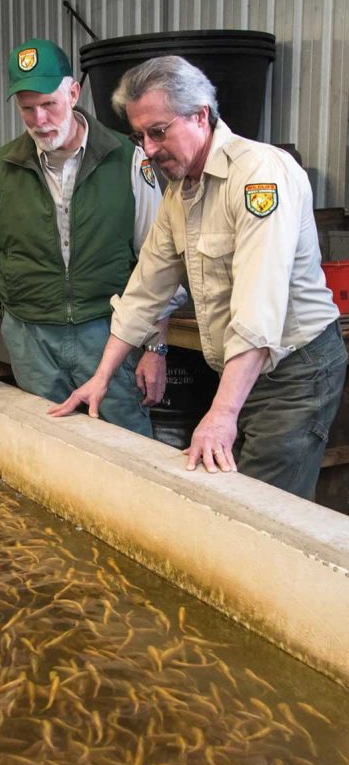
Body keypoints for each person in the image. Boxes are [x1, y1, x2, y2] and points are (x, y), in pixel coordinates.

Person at [50, 55, 346, 500]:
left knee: (262, 506)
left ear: (200, 115)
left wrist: (222, 413)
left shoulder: (258, 177)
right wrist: (101, 377)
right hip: (243, 367)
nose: (147, 149)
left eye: (158, 131)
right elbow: (145, 292)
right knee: (235, 490)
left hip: (295, 370)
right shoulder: (180, 193)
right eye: (139, 135)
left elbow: (257, 308)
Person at [0, 38, 186, 437]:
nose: (40, 119)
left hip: (108, 334)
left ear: (73, 93)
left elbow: (157, 265)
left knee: (126, 447)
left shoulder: (126, 160)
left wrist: (155, 349)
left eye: (49, 104)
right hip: (32, 340)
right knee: (46, 447)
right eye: (28, 109)